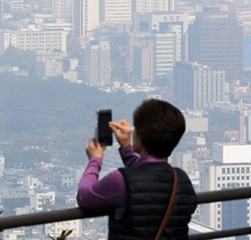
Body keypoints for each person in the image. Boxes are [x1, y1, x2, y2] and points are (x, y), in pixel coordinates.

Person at [77, 99, 197, 239]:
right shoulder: (182, 180)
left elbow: (84, 197)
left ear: (139, 137)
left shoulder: (120, 181)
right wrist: (127, 148)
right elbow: (148, 176)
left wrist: (95, 160)